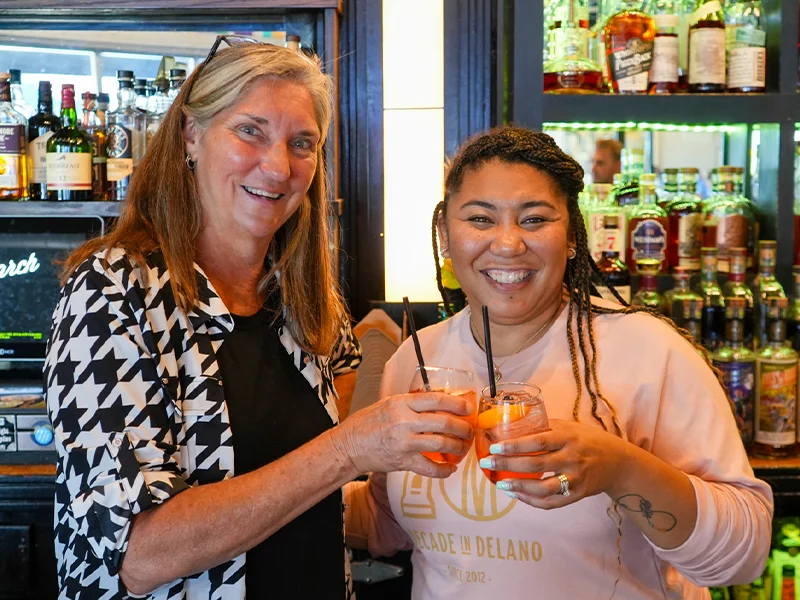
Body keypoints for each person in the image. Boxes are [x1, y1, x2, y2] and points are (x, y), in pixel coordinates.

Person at [44, 38, 473, 600]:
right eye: (250, 131)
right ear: (191, 136)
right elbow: (138, 553)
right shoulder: (115, 290)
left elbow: (345, 401)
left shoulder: (297, 292)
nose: (278, 166)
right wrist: (350, 449)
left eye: (302, 143)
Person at [345, 126, 773, 599]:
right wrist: (298, 473)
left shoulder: (648, 351)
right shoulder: (416, 361)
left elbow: (745, 553)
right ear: (445, 234)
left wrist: (620, 468)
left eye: (533, 219)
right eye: (481, 219)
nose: (508, 244)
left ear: (571, 235)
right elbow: (389, 526)